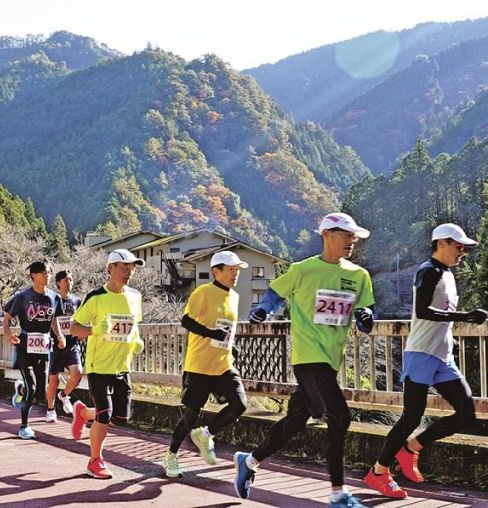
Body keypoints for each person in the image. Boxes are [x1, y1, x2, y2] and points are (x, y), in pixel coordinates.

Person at [235, 212, 375, 508]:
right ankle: (338, 495)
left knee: (296, 421)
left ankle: (250, 461)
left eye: (354, 237)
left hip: (331, 359)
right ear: (326, 235)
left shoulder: (358, 275)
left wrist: (366, 317)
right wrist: (264, 310)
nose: (352, 241)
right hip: (308, 357)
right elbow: (275, 293)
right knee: (340, 417)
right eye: (346, 235)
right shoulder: (303, 270)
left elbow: (366, 314)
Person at [364, 224, 488, 498]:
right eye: (459, 247)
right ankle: (378, 473)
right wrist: (465, 316)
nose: (463, 252)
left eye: (465, 248)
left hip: (443, 356)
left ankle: (410, 449)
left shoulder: (448, 275)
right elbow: (422, 310)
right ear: (441, 243)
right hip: (420, 353)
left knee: (466, 413)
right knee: (411, 417)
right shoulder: (427, 271)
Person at [163, 251, 249, 478]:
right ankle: (171, 454)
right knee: (190, 416)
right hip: (199, 365)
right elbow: (186, 320)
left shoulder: (235, 296)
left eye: (237, 270)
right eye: (230, 270)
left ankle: (206, 434)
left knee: (239, 404)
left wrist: (231, 345)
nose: (235, 274)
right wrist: (211, 333)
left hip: (223, 364)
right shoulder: (203, 292)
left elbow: (227, 328)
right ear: (215, 271)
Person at [69, 249, 146, 479]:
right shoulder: (96, 297)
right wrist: (94, 330)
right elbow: (74, 328)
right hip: (98, 366)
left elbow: (134, 324)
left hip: (122, 366)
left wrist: (137, 340)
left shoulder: (135, 296)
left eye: (131, 268)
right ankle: (95, 460)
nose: (128, 272)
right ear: (109, 269)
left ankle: (83, 413)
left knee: (120, 417)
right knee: (105, 415)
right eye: (123, 267)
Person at [3, 260, 64, 439]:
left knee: (39, 392)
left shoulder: (54, 297)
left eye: (50, 273)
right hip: (25, 347)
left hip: (44, 348)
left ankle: (20, 389)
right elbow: (7, 317)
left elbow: (54, 320)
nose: (48, 276)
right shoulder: (23, 297)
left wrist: (59, 336)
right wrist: (8, 334)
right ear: (34, 275)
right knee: (32, 387)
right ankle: (24, 426)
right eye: (44, 272)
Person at [45, 270, 82, 422]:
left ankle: (64, 394)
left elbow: (81, 319)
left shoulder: (77, 301)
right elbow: (50, 319)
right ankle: (50, 409)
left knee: (78, 373)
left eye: (71, 280)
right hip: (55, 345)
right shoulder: (53, 299)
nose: (69, 283)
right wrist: (58, 336)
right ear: (59, 282)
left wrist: (82, 331)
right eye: (66, 280)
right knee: (54, 380)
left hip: (72, 343)